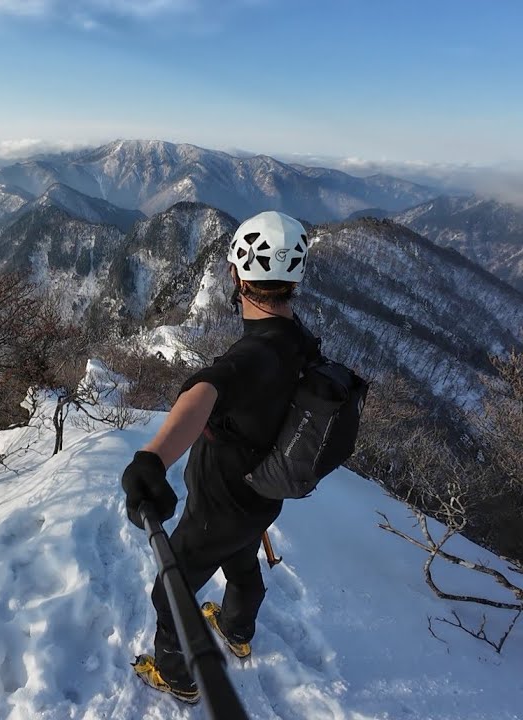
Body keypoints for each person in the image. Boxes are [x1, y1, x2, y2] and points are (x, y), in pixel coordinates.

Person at [122, 210, 318, 704]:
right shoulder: (299, 342)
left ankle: (179, 676)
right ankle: (237, 630)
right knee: (242, 560)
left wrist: (153, 458)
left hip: (219, 503)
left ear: (237, 275)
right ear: (294, 280)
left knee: (170, 591)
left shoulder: (255, 355)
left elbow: (206, 390)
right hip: (261, 497)